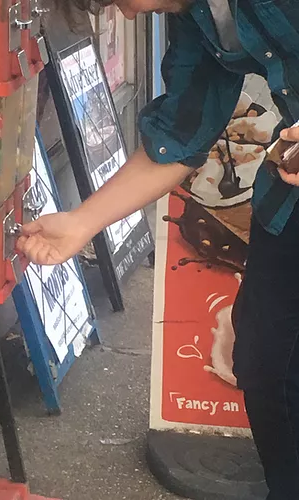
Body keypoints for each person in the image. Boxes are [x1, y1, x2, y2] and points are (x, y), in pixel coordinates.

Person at [16, 1, 299, 498]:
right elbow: (181, 134)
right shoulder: (193, 17)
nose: (122, 17)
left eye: (115, 0)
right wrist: (82, 223)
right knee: (262, 360)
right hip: (289, 199)